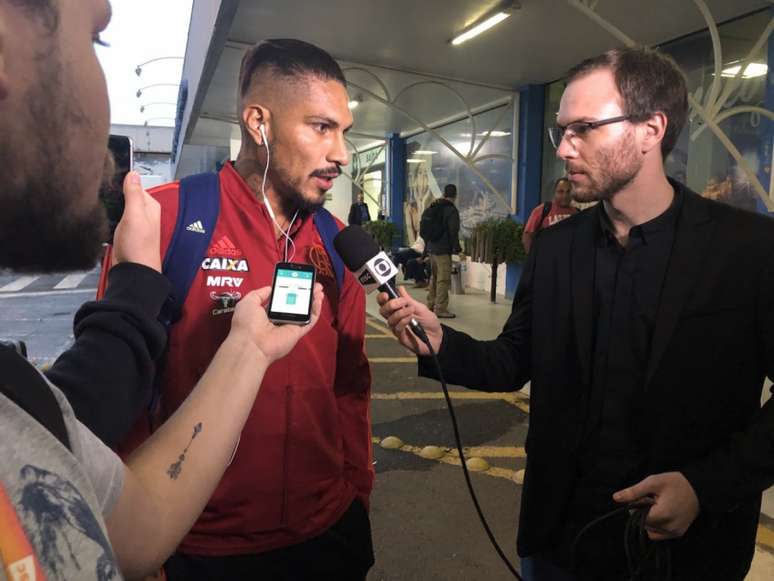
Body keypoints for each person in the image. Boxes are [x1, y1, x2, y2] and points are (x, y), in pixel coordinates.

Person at [378, 46, 774, 580]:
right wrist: (443, 342)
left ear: (651, 129)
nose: (564, 147)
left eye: (584, 128)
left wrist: (706, 487)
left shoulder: (748, 249)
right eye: (561, 130)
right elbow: (513, 359)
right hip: (560, 541)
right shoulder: (556, 247)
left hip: (689, 552)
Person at [0, 3, 323, 581]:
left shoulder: (18, 410)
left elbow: (133, 528)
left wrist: (247, 346)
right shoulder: (174, 214)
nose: (340, 153)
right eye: (96, 40)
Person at [101, 39, 374, 580]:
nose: (342, 152)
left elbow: (351, 384)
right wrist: (139, 543)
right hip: (199, 546)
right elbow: (118, 392)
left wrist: (357, 491)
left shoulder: (339, 242)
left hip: (327, 533)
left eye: (344, 131)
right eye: (322, 127)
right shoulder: (167, 218)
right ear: (259, 122)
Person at [424, 184, 461, 318]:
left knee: (434, 278)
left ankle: (430, 304)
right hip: (443, 250)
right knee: (443, 279)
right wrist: (458, 249)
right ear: (455, 195)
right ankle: (440, 308)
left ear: (444, 193)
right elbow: (453, 231)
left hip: (431, 248)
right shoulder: (451, 210)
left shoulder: (435, 206)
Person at [521, 177, 578, 253]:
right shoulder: (543, 210)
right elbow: (527, 236)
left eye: (568, 192)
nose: (565, 195)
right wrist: (534, 259)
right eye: (561, 191)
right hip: (546, 261)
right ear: (554, 192)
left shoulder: (577, 213)